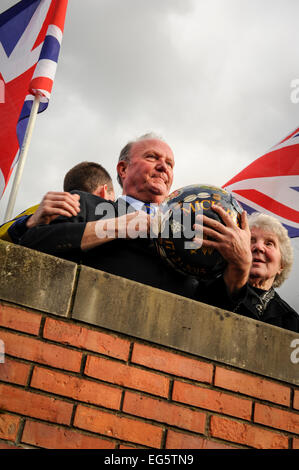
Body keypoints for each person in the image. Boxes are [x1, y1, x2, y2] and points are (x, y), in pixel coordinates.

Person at [196, 211, 299, 332]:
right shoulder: (201, 288)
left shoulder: (292, 321)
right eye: (250, 240)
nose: (259, 247)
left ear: (281, 265)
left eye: (269, 243)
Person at [0, 161, 115, 243]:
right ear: (103, 192)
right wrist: (29, 221)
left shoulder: (41, 211)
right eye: (112, 201)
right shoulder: (45, 211)